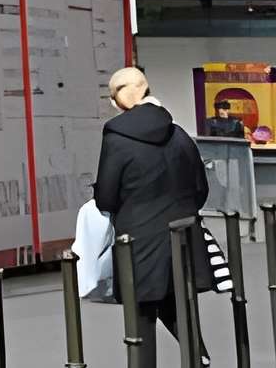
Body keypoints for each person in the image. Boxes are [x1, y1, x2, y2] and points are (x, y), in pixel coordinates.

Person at [97, 66, 213, 361]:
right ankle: (197, 358)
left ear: (120, 100)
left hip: (138, 244)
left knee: (141, 325)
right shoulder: (180, 135)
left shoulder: (117, 138)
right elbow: (201, 188)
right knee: (180, 308)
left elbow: (107, 197)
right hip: (183, 238)